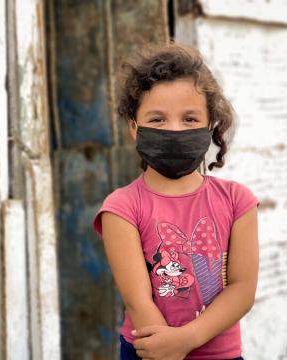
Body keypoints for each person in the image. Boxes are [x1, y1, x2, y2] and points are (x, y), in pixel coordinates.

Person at [92, 43, 260, 360]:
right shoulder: (122, 207)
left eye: (189, 119)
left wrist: (186, 339)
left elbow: (242, 289)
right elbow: (138, 301)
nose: (173, 129)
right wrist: (166, 349)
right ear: (134, 128)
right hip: (147, 350)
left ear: (210, 126)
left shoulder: (238, 201)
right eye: (157, 119)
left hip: (219, 354)